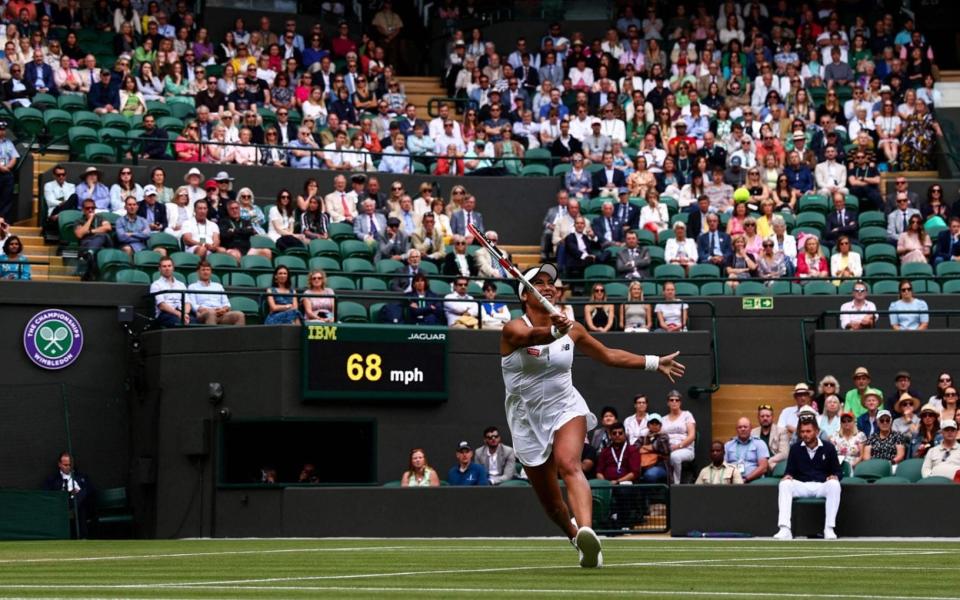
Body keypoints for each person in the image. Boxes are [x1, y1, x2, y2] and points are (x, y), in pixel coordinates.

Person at [500, 263, 683, 567]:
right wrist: (555, 330)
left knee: (569, 463)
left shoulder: (573, 328)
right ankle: (575, 536)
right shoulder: (513, 329)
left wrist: (654, 362)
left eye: (550, 283)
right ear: (524, 297)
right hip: (525, 419)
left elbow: (609, 355)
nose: (547, 287)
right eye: (538, 283)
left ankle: (587, 530)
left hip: (565, 406)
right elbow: (532, 338)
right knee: (553, 505)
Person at [774, 416, 842, 540]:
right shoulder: (795, 448)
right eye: (802, 431)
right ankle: (784, 528)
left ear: (817, 431)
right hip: (802, 486)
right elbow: (789, 470)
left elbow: (838, 471)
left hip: (822, 485)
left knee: (834, 484)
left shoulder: (829, 448)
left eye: (808, 431)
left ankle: (829, 528)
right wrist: (788, 476)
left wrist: (834, 476)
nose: (805, 434)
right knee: (784, 484)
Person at [42, 452, 92, 538]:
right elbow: (47, 495)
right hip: (60, 507)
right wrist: (68, 494)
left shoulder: (81, 477)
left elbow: (90, 492)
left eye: (70, 464)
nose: (68, 467)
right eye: (65, 465)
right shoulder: (52, 479)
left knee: (82, 497)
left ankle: (83, 537)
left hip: (79, 506)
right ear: (59, 464)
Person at [188, 261, 245, 326]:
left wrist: (223, 309)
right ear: (198, 272)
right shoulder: (192, 287)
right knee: (211, 313)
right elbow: (193, 306)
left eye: (208, 270)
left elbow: (227, 303)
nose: (206, 272)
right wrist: (209, 310)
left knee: (239, 315)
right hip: (204, 314)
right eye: (203, 270)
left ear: (211, 272)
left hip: (221, 314)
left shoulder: (218, 286)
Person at [724, 418, 770, 483]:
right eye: (740, 427)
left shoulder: (759, 443)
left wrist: (746, 479)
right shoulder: (728, 445)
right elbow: (723, 465)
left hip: (753, 480)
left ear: (751, 428)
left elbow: (763, 467)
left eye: (745, 427)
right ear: (736, 430)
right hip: (732, 481)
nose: (743, 429)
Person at [150, 256, 190, 327]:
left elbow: (187, 303)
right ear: (160, 269)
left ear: (173, 268)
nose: (167, 268)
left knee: (196, 322)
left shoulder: (181, 284)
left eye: (169, 266)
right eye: (164, 266)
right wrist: (179, 314)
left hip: (181, 312)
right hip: (165, 314)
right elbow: (162, 306)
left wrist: (185, 313)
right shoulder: (156, 285)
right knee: (180, 323)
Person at [753, 404, 791, 474]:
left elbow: (784, 453)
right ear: (758, 418)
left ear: (772, 417)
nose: (765, 418)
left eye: (768, 416)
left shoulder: (781, 431)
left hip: (774, 465)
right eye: (762, 416)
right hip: (756, 466)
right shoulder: (753, 432)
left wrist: (767, 462)